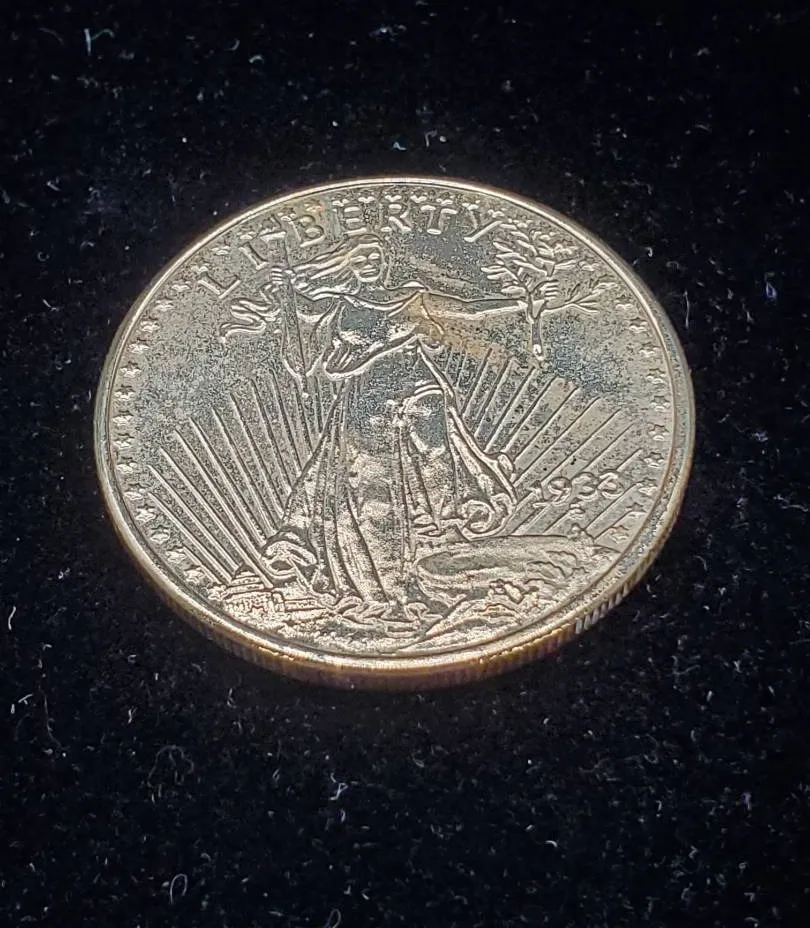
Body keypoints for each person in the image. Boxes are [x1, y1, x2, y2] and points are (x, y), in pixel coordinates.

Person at [224, 235, 533, 618]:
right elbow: (298, 318)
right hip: (367, 397)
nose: (369, 263)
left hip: (418, 385)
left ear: (385, 262)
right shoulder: (339, 305)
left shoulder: (414, 298)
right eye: (362, 257)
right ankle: (384, 575)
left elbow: (468, 310)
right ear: (350, 263)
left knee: (433, 448)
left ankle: (442, 526)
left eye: (375, 256)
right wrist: (283, 286)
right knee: (368, 482)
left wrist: (522, 301)